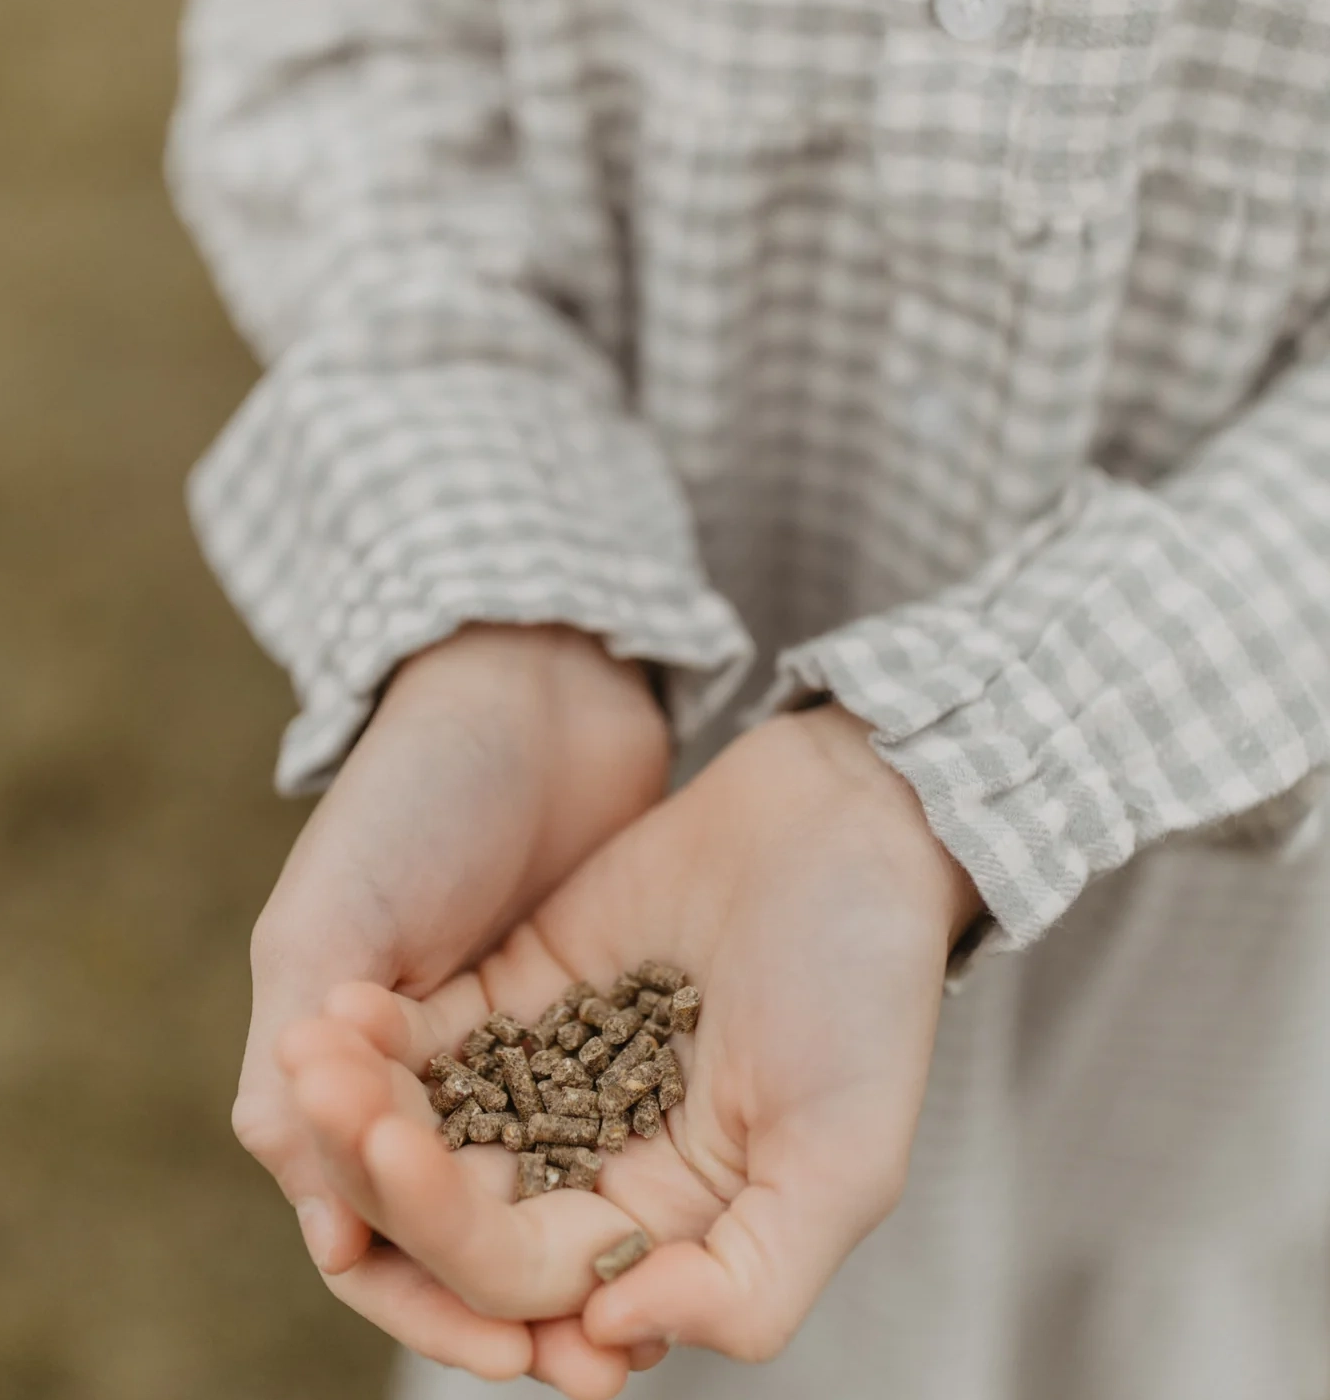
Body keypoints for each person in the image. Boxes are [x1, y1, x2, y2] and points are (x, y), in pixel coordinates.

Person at [167, 2, 1330, 1397]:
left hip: (1201, 961)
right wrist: (509, 611)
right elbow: (341, 67)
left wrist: (986, 762)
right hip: (618, 903)